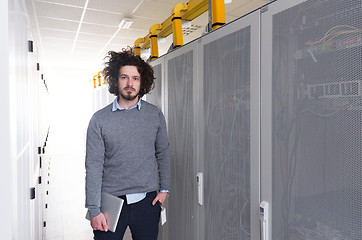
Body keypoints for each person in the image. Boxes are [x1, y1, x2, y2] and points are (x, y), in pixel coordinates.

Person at [85, 49, 171, 240]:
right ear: (116, 80)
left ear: (142, 83)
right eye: (124, 77)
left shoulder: (154, 115)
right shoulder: (99, 120)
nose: (130, 83)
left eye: (135, 78)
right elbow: (93, 166)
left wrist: (164, 189)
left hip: (146, 202)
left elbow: (163, 153)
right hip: (109, 202)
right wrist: (93, 208)